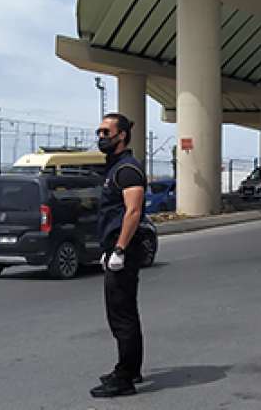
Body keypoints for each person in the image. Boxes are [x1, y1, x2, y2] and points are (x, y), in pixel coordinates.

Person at [90, 112, 147, 398]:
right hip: (113, 247)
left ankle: (124, 377)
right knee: (120, 312)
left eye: (105, 132)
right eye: (99, 132)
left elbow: (133, 212)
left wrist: (120, 250)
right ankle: (131, 368)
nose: (101, 137)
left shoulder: (127, 169)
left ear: (121, 135)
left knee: (122, 315)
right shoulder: (114, 168)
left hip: (123, 250)